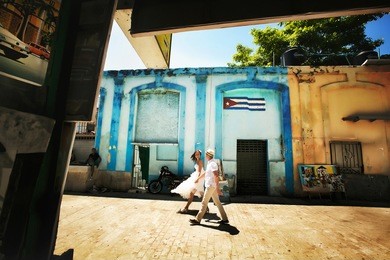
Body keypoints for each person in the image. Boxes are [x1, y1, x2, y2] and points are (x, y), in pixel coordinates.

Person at [189, 149, 229, 225]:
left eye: (206, 154)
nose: (205, 156)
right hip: (211, 186)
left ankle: (197, 219)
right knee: (218, 203)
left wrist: (217, 188)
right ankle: (225, 219)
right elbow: (206, 173)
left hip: (211, 186)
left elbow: (216, 175)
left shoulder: (213, 164)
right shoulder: (210, 163)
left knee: (204, 203)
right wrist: (198, 178)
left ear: (208, 155)